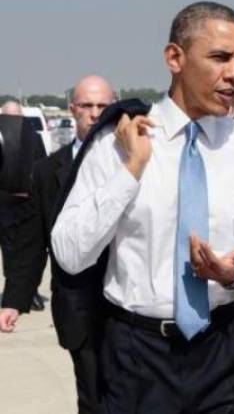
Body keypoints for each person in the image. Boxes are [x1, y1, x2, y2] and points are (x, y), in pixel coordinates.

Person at [51, 1, 234, 414]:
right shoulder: (117, 143)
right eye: (220, 57)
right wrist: (130, 170)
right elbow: (70, 253)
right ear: (175, 58)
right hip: (136, 357)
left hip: (222, 350)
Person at [0, 75, 115, 413]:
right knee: (93, 400)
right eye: (87, 106)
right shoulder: (48, 170)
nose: (95, 114)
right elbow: (32, 243)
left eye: (103, 107)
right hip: (79, 308)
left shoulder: (135, 162)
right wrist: (14, 301)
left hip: (133, 311)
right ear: (73, 109)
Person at [0, 100, 47, 319]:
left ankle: (31, 291)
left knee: (28, 250)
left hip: (28, 203)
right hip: (5, 203)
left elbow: (41, 166)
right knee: (10, 251)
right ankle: (14, 293)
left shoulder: (34, 138)